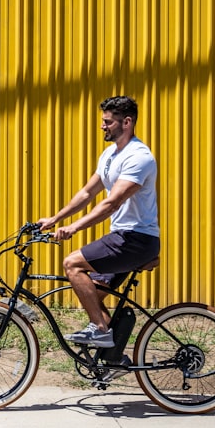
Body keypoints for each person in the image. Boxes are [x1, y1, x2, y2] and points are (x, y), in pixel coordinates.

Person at [37, 96, 160, 348]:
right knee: (93, 294)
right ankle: (111, 358)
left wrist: (73, 227)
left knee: (72, 264)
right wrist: (55, 218)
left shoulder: (139, 157)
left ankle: (101, 330)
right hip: (123, 237)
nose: (103, 126)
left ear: (127, 122)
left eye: (108, 122)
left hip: (135, 238)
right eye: (103, 121)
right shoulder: (109, 155)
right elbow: (86, 193)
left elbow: (110, 203)